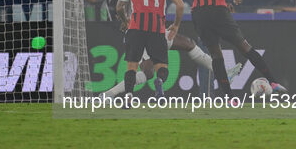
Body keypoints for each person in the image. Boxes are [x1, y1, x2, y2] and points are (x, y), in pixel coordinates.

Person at [191, 0, 287, 99]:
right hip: (217, 11)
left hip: (198, 13)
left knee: (216, 55)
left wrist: (225, 3)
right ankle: (272, 82)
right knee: (244, 46)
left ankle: (230, 98)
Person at [116, 0, 184, 99]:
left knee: (132, 67)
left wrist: (126, 21)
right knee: (161, 67)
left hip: (135, 28)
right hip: (157, 29)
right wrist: (176, 25)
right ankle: (159, 82)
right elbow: (180, 5)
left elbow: (119, 7)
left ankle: (128, 97)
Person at [102, 32, 243, 99]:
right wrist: (176, 23)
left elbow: (121, 9)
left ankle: (109, 94)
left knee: (148, 72)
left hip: (142, 33)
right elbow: (179, 4)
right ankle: (110, 93)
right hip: (152, 33)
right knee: (189, 45)